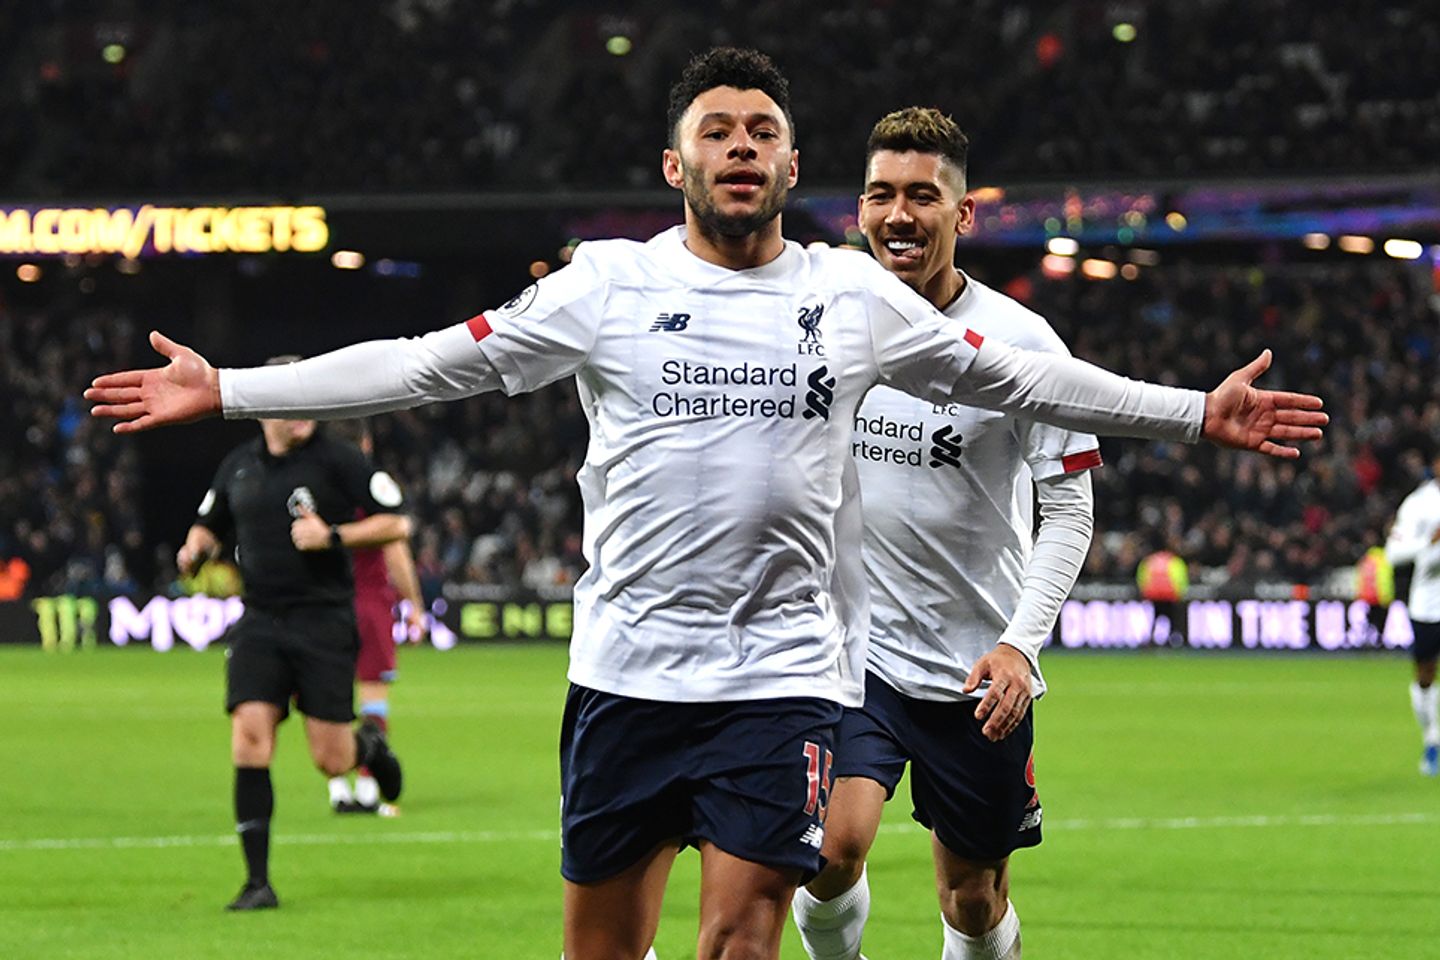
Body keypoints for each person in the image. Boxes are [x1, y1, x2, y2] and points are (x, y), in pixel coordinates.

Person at [89, 48, 1325, 960]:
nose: (741, 145)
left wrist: (1189, 409)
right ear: (674, 164)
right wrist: (233, 389)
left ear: (792, 165)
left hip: (782, 679)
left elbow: (1018, 373)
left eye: (763, 130)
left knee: (742, 940)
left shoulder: (851, 294)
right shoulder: (605, 286)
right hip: (625, 672)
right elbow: (422, 362)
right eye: (717, 129)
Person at [790, 106, 1096, 960]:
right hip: (856, 657)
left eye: (923, 196)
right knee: (826, 849)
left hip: (977, 669)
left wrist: (1021, 647)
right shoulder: (823, 324)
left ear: (963, 214)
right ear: (858, 208)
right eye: (881, 194)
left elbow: (1068, 509)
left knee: (972, 897)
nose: (899, 215)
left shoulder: (1022, 343)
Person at [175, 359, 410, 911]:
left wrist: (332, 534)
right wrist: (195, 548)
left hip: (323, 621)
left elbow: (396, 521)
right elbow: (208, 523)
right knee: (249, 738)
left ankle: (367, 747)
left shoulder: (340, 461)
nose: (303, 411)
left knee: (331, 759)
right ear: (263, 408)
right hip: (259, 621)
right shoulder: (237, 468)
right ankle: (258, 882)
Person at [324, 418, 427, 815]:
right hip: (367, 601)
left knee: (325, 698)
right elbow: (394, 550)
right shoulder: (373, 484)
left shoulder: (315, 484)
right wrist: (414, 606)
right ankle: (369, 790)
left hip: (323, 603)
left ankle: (337, 787)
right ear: (366, 442)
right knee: (373, 698)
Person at [1384, 445, 1440, 777]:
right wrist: (1429, 544)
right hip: (1429, 604)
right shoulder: (1419, 504)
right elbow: (1394, 553)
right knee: (1424, 676)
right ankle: (1432, 740)